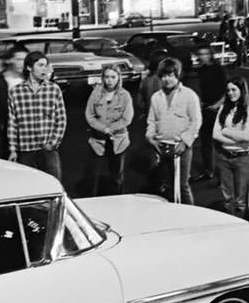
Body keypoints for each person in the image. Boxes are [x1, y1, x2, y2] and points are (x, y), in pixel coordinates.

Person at [146, 57, 201, 204]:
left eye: (170, 75)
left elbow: (196, 121)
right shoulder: (156, 97)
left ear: (178, 75)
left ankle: (191, 217)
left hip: (181, 148)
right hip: (162, 147)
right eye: (163, 76)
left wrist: (185, 142)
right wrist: (151, 137)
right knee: (167, 186)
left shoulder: (189, 95)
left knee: (182, 186)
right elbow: (151, 121)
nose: (167, 79)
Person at [7, 51, 67, 181]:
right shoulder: (16, 92)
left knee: (53, 185)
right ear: (29, 68)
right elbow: (12, 123)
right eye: (40, 65)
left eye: (46, 65)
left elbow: (61, 119)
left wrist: (53, 143)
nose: (45, 69)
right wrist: (13, 149)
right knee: (29, 188)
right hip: (26, 150)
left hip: (47, 150)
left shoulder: (53, 89)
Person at [213, 77, 249, 219]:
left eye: (234, 90)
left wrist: (226, 131)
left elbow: (246, 136)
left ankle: (244, 230)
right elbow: (215, 134)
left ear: (242, 91)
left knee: (241, 201)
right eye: (228, 90)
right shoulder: (223, 109)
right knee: (227, 199)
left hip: (242, 158)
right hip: (224, 156)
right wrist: (235, 139)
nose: (230, 93)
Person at [84, 66, 134, 196]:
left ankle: (117, 202)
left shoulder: (125, 95)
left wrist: (112, 128)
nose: (110, 81)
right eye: (107, 77)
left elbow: (127, 118)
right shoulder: (96, 93)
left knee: (116, 177)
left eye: (113, 77)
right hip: (97, 140)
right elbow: (89, 115)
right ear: (102, 78)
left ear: (118, 78)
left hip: (119, 140)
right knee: (92, 175)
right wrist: (103, 128)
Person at [0, 47, 27, 159]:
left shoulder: (32, 80)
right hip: (5, 135)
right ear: (9, 60)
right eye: (19, 59)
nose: (23, 63)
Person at [194, 44, 227, 181]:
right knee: (205, 142)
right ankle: (208, 171)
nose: (202, 57)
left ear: (210, 55)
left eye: (205, 54)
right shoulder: (201, 70)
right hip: (205, 108)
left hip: (217, 109)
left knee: (220, 144)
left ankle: (223, 175)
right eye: (200, 54)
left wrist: (217, 105)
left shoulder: (218, 70)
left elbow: (226, 90)